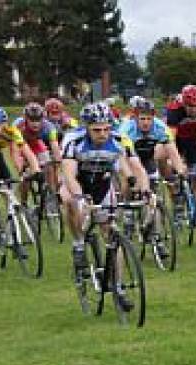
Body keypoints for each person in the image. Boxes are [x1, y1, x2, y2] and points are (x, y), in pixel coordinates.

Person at [60, 103, 149, 293]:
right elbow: (68, 175)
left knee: (112, 235)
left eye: (107, 129)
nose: (102, 134)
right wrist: (79, 197)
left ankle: (118, 286)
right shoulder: (73, 140)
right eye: (97, 130)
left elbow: (133, 167)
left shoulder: (119, 140)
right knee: (69, 201)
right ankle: (78, 244)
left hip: (102, 184)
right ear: (86, 128)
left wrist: (143, 188)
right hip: (77, 183)